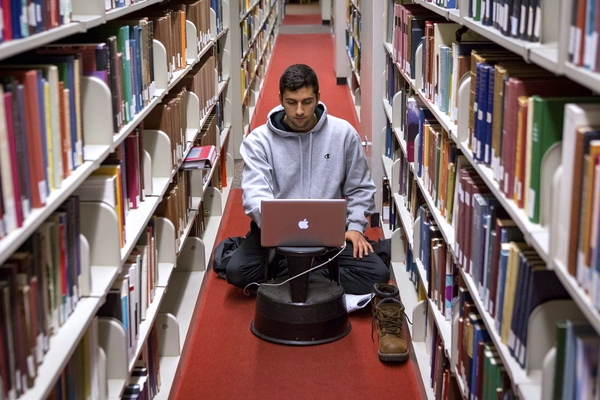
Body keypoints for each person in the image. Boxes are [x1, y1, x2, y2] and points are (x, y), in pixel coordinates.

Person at [225, 63, 390, 295]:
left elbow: (360, 188)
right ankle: (319, 273)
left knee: (376, 274)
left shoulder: (344, 134)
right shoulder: (258, 141)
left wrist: (354, 227)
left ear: (318, 97)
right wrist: (276, 228)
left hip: (333, 233)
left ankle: (295, 272)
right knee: (239, 272)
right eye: (291, 102)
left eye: (307, 102)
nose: (299, 111)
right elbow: (254, 196)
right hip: (275, 235)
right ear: (281, 99)